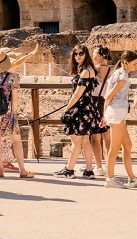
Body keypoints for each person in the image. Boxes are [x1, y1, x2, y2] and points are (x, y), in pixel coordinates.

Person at [0, 46, 36, 178]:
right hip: (8, 113)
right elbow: (15, 99)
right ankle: (22, 170)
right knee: (16, 141)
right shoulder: (13, 77)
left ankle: (0, 170)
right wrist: (13, 112)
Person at [55, 44, 102, 179]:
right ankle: (89, 170)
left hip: (81, 109)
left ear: (86, 54)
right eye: (75, 54)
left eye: (80, 53)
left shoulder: (86, 72)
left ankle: (69, 170)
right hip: (88, 109)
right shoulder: (89, 70)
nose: (77, 56)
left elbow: (77, 94)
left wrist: (66, 109)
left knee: (76, 140)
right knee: (85, 141)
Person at [103, 50, 137, 188]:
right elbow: (109, 96)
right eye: (134, 64)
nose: (136, 66)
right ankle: (110, 179)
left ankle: (132, 178)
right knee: (114, 147)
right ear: (125, 62)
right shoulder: (122, 76)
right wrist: (103, 115)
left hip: (118, 113)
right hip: (116, 113)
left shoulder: (120, 73)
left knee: (127, 145)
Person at [90, 46, 113, 168]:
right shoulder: (112, 70)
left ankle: (98, 166)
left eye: (94, 55)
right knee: (107, 137)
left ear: (99, 56)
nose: (93, 57)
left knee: (95, 137)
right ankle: (110, 165)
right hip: (108, 103)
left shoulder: (94, 70)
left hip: (95, 102)